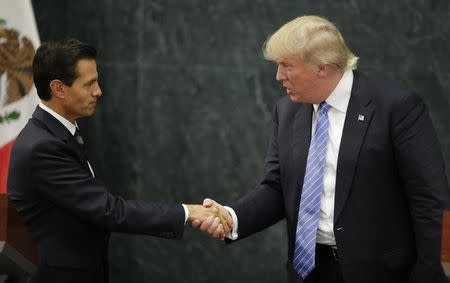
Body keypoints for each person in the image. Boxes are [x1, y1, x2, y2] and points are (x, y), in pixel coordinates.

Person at [193, 15, 450, 283]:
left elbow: (434, 204)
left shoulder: (396, 107)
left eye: (287, 65)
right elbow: (278, 189)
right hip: (309, 270)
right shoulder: (287, 110)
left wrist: (434, 275)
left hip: (381, 273)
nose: (278, 76)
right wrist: (231, 217)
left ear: (322, 68)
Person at [7, 38, 232, 283]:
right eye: (89, 83)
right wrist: (188, 212)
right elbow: (109, 211)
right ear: (59, 88)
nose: (98, 91)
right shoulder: (43, 146)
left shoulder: (55, 133)